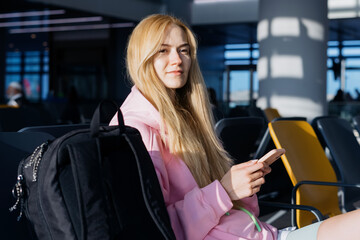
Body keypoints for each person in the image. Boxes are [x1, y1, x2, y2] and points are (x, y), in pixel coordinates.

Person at [110, 14, 360, 240]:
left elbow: (234, 214)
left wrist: (242, 187)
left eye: (184, 50)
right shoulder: (136, 130)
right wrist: (225, 191)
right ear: (141, 56)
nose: (177, 59)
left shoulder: (185, 118)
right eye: (163, 50)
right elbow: (154, 230)